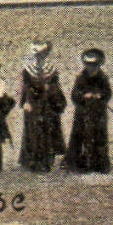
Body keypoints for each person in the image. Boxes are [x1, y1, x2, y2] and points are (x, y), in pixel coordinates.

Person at [17, 41, 67, 172]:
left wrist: (50, 90)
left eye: (42, 54)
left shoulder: (51, 70)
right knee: (33, 131)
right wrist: (25, 102)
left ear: (46, 54)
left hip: (48, 104)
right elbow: (25, 87)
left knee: (48, 130)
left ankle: (46, 161)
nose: (39, 57)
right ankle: (32, 161)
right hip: (33, 104)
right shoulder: (28, 69)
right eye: (37, 55)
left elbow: (57, 87)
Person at [64, 49, 113, 174]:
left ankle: (100, 164)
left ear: (99, 64)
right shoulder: (80, 77)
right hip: (82, 113)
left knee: (99, 137)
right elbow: (74, 95)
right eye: (88, 65)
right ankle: (76, 163)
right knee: (78, 136)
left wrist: (98, 96)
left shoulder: (103, 78)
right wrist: (83, 96)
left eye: (94, 65)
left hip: (98, 113)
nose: (91, 67)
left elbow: (108, 94)